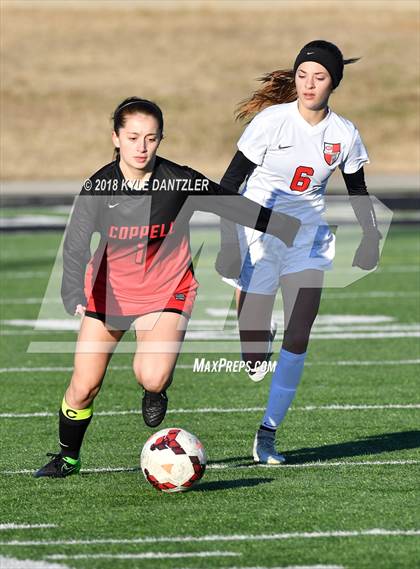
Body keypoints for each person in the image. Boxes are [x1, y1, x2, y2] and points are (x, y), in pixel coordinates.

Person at [34, 97, 301, 478]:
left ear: (161, 139)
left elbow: (231, 204)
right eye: (133, 138)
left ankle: (156, 391)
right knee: (83, 387)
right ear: (116, 138)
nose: (142, 147)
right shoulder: (98, 187)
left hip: (166, 290)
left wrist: (287, 228)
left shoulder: (178, 180)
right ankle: (68, 457)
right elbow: (76, 243)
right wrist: (73, 292)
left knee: (152, 375)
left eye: (151, 138)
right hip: (108, 294)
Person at [215, 40, 381, 464]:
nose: (309, 84)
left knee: (300, 331)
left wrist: (369, 237)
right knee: (254, 353)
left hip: (307, 240)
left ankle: (267, 434)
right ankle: (254, 338)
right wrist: (229, 242)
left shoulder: (343, 134)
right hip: (257, 232)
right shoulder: (272, 122)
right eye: (303, 75)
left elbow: (358, 190)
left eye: (320, 77)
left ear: (333, 83)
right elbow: (228, 186)